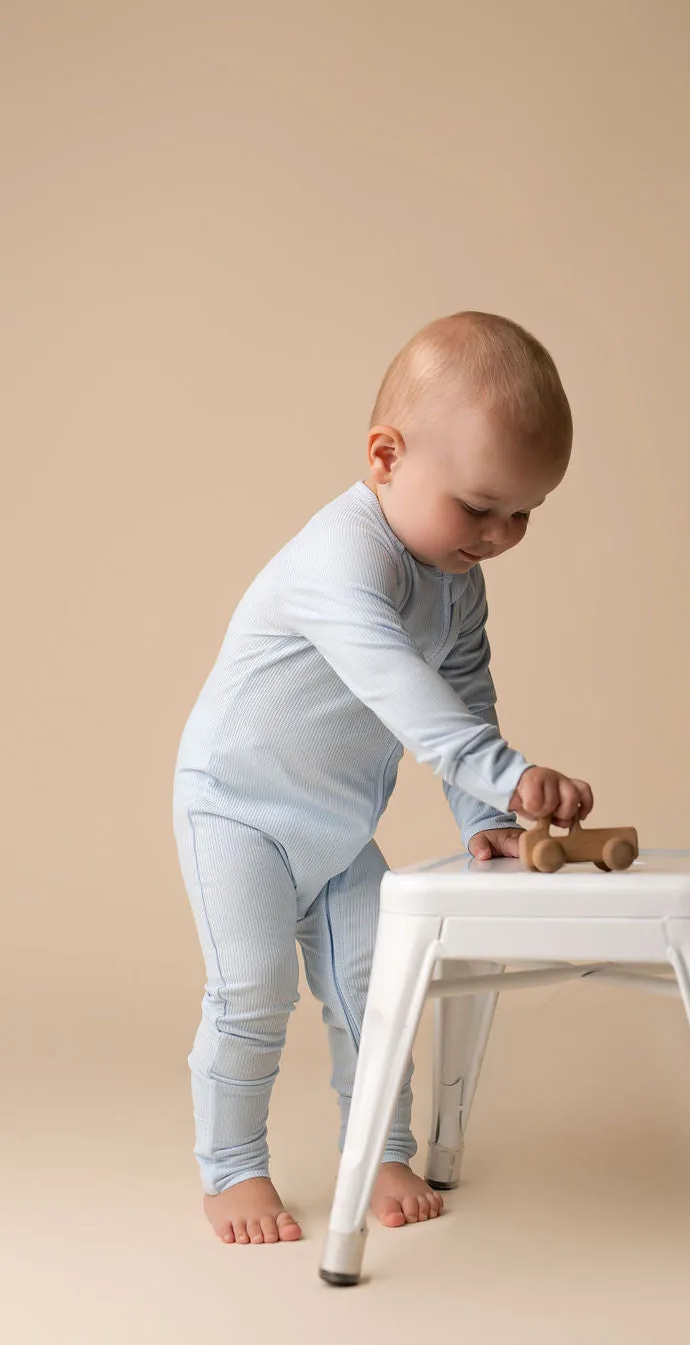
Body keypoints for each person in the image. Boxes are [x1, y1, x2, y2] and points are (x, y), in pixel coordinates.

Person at [172, 311, 593, 1245]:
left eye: (524, 513)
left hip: (338, 827)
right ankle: (233, 1170)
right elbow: (406, 695)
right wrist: (516, 777)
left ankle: (380, 1150)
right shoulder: (342, 556)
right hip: (236, 812)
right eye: (479, 505)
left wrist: (486, 811)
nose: (497, 535)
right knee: (252, 990)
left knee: (376, 989)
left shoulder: (454, 579)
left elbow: (465, 693)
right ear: (385, 457)